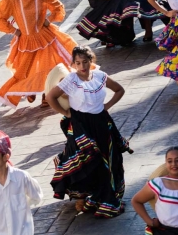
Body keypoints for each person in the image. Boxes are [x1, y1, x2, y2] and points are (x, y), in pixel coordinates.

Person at [47, 46, 132, 217]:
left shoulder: (100, 76)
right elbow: (51, 97)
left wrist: (107, 106)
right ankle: (88, 195)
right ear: (73, 64)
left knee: (108, 159)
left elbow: (119, 89)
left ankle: (106, 197)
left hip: (101, 122)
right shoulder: (71, 80)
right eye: (78, 63)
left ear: (91, 60)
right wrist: (66, 113)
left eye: (85, 62)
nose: (82, 66)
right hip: (81, 125)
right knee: (87, 159)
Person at [0, 0, 78, 107]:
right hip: (25, 40)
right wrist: (14, 31)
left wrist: (48, 20)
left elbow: (58, 8)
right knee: (24, 70)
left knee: (51, 65)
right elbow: (0, 17)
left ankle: (47, 94)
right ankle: (30, 89)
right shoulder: (13, 0)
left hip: (45, 37)